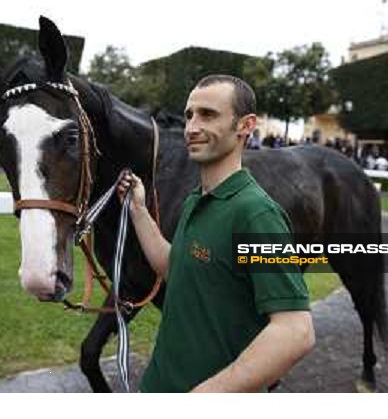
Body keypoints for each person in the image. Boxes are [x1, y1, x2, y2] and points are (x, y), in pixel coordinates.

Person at [118, 75, 314, 393]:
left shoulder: (257, 214)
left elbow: (295, 330)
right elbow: (175, 268)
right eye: (189, 115)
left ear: (245, 125)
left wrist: (210, 393)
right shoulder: (198, 198)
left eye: (208, 115)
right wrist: (139, 211)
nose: (192, 127)